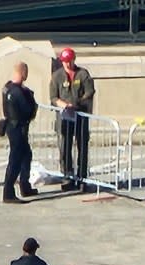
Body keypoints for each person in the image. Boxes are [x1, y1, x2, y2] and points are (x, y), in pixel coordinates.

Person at [49, 47, 96, 191]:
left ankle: (82, 178)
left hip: (80, 115)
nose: (67, 64)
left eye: (69, 61)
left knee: (82, 147)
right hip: (64, 117)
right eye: (64, 62)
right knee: (65, 147)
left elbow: (90, 92)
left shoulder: (83, 74)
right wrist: (62, 104)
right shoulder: (57, 76)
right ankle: (67, 176)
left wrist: (77, 104)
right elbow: (53, 97)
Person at [2, 61, 39, 203]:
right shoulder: (18, 92)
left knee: (26, 155)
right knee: (15, 160)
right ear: (23, 72)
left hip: (13, 126)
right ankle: (8, 192)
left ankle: (25, 184)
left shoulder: (7, 88)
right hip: (17, 127)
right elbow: (28, 110)